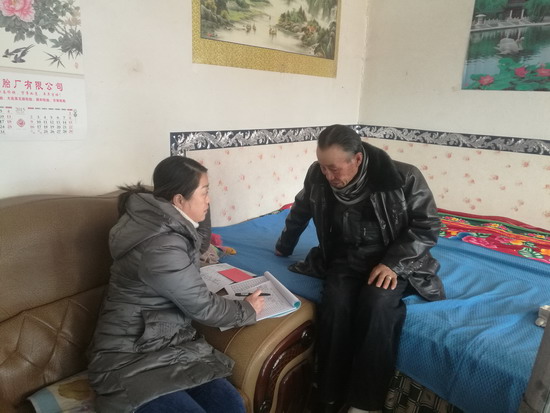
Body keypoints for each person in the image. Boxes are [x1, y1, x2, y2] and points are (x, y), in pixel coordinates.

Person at [275, 125, 446, 413]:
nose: (327, 175)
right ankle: (328, 392)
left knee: (377, 305)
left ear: (357, 159)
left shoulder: (403, 177)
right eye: (322, 167)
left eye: (334, 169)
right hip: (344, 257)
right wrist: (285, 244)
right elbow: (302, 208)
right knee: (335, 304)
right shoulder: (318, 175)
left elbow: (426, 226)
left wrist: (393, 263)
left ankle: (366, 403)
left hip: (392, 259)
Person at [88, 156, 265, 413]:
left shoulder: (163, 222)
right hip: (130, 357)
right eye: (204, 192)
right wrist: (246, 309)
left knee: (230, 404)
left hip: (168, 343)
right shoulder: (161, 246)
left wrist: (199, 205)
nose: (209, 200)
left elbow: (200, 243)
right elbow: (203, 307)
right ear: (179, 200)